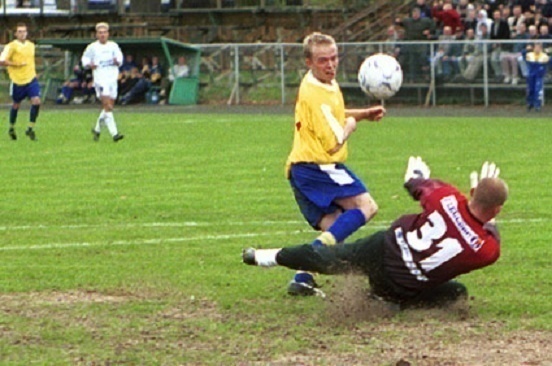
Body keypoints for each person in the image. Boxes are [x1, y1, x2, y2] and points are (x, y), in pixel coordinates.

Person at [243, 157, 508, 309]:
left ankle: (266, 256)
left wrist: (416, 174)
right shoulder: (487, 249)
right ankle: (384, 299)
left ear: (472, 193)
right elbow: (487, 230)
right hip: (404, 288)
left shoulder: (446, 196)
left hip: (382, 250)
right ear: (497, 209)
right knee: (456, 293)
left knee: (329, 258)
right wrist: (487, 211)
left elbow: (414, 184)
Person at [283, 32, 386, 296]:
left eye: (333, 58)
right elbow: (334, 141)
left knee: (335, 226)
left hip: (304, 169)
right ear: (308, 62)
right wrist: (352, 124)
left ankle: (303, 277)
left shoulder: (323, 84)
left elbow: (333, 115)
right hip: (318, 166)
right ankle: (309, 257)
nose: (330, 65)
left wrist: (361, 114)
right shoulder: (314, 94)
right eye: (322, 61)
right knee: (366, 206)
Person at [81, 22, 124, 142]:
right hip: (100, 80)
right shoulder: (92, 47)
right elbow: (84, 59)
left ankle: (97, 130)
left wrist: (117, 61)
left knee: (108, 108)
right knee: (108, 106)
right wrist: (90, 64)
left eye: (104, 32)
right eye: (100, 33)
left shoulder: (113, 46)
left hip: (112, 79)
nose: (102, 35)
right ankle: (115, 134)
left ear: (108, 33)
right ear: (96, 34)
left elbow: (120, 58)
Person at [0, 22, 41, 141]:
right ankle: (12, 127)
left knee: (36, 101)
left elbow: (30, 61)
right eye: (20, 32)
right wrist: (16, 64)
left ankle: (30, 128)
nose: (23, 34)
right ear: (15, 34)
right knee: (16, 105)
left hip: (31, 79)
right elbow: (2, 61)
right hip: (17, 80)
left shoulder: (31, 45)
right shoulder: (11, 46)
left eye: (24, 31)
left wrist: (34, 72)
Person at [525, 42, 549, 111]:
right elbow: (524, 55)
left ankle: (537, 105)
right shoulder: (529, 55)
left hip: (539, 75)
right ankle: (530, 103)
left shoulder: (544, 56)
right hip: (531, 75)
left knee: (537, 90)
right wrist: (527, 49)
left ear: (541, 48)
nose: (537, 49)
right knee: (530, 89)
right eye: (536, 47)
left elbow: (547, 63)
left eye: (538, 48)